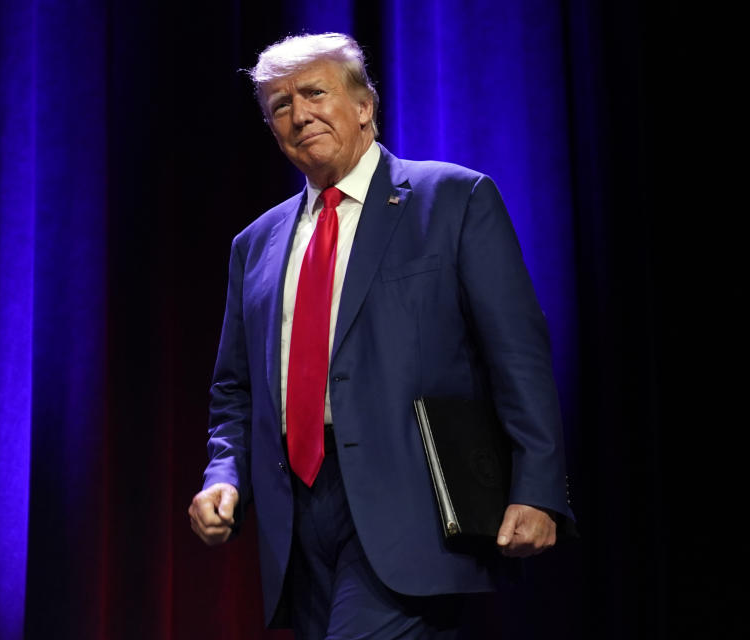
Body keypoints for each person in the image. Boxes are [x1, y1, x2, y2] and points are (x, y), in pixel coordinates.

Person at [188, 32, 573, 639]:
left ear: (364, 105)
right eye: (280, 106)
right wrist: (224, 477)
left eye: (314, 93)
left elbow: (517, 354)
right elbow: (234, 389)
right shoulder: (254, 244)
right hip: (296, 514)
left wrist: (540, 489)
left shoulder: (452, 199)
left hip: (410, 504)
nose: (299, 114)